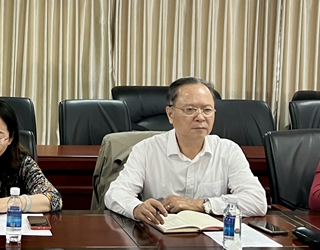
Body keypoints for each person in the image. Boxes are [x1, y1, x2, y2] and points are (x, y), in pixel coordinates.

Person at [105, 77, 267, 224]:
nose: (200, 117)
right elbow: (116, 193)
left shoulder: (228, 150)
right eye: (190, 109)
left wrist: (200, 204)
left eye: (207, 110)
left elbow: (257, 201)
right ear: (170, 114)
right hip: (161, 235)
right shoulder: (146, 150)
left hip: (210, 237)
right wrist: (136, 208)